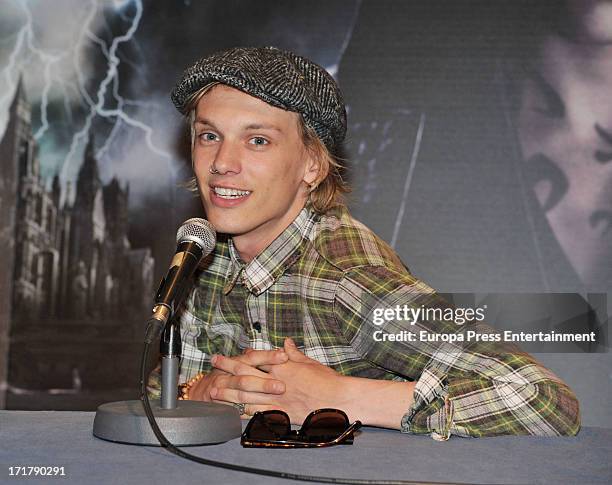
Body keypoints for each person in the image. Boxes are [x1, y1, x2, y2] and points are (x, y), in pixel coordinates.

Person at [148, 46, 580, 439]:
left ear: (313, 165)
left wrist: (339, 397)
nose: (223, 163)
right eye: (209, 136)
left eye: (257, 140)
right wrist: (201, 389)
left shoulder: (346, 280)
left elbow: (545, 401)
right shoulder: (204, 253)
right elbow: (155, 394)